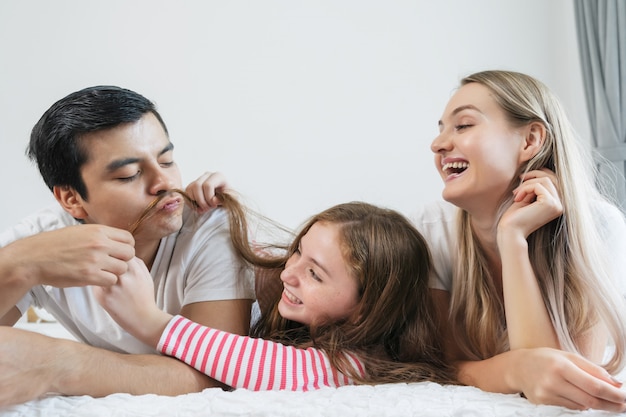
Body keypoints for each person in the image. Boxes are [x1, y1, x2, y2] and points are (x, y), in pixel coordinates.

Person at [0, 86, 255, 406]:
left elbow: (214, 376)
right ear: (71, 199)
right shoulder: (42, 242)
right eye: (129, 175)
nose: (164, 183)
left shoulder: (209, 227)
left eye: (167, 160)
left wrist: (59, 364)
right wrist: (18, 265)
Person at [412, 69, 626, 411]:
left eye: (463, 125)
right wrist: (517, 370)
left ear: (530, 140)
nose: (437, 144)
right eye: (440, 130)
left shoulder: (600, 226)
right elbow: (442, 364)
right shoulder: (430, 230)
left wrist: (512, 238)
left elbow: (566, 381)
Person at [94, 199, 455, 390]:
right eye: (299, 251)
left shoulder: (361, 364)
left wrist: (151, 323)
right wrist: (199, 207)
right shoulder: (300, 312)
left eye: (314, 273)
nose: (289, 273)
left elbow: (270, 366)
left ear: (365, 309)